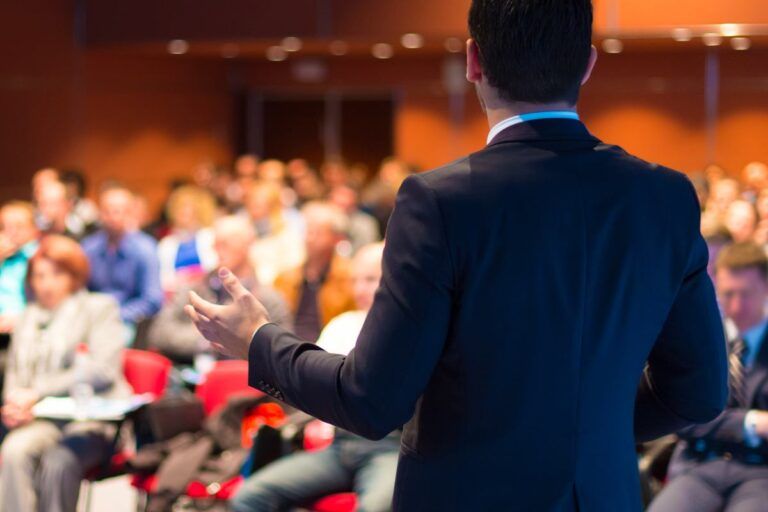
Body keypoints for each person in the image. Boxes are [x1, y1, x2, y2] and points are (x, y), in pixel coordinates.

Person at [186, 1, 728, 510]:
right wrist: (585, 424)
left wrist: (260, 341)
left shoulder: (441, 202)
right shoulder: (664, 197)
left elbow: (371, 400)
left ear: (473, 60)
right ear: (587, 65)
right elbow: (699, 394)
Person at [231, 243, 399, 512]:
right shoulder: (343, 324)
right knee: (249, 496)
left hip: (388, 448)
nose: (359, 289)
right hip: (340, 446)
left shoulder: (407, 333)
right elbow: (308, 382)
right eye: (355, 280)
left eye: (370, 279)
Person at [0, 235, 131, 512]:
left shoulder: (98, 308)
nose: (47, 283)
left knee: (58, 461)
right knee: (14, 450)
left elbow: (102, 370)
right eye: (39, 276)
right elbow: (14, 372)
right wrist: (13, 404)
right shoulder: (27, 316)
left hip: (90, 419)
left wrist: (36, 392)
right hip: (42, 418)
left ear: (74, 275)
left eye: (56, 274)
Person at [648, 242, 768, 512]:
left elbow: (700, 415)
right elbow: (683, 419)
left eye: (746, 294)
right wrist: (752, 422)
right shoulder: (701, 338)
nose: (736, 306)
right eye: (727, 294)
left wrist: (718, 421)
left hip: (761, 472)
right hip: (698, 464)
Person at [148, 216, 292, 365]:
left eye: (225, 243)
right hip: (188, 375)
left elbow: (279, 352)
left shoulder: (269, 299)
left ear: (248, 244)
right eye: (215, 243)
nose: (217, 249)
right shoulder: (193, 288)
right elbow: (159, 333)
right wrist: (210, 339)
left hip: (242, 381)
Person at [81, 185, 163, 330]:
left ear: (130, 213)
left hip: (129, 321)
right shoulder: (89, 247)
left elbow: (152, 300)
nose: (112, 217)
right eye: (107, 211)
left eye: (118, 211)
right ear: (99, 213)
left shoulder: (145, 248)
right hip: (92, 318)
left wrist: (116, 316)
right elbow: (80, 290)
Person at [272, 201, 355, 342]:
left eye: (318, 233)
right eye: (308, 231)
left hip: (329, 351)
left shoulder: (350, 277)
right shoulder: (284, 278)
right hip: (288, 348)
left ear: (336, 239)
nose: (309, 238)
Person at [157, 185, 218, 296]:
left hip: (208, 293)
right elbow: (163, 278)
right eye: (180, 208)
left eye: (189, 208)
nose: (184, 212)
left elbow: (215, 268)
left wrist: (193, 275)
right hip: (177, 296)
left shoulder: (211, 236)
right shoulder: (167, 243)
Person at [0, 202, 39, 334]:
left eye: (19, 226)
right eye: (4, 227)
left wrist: (20, 320)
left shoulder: (40, 257)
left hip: (27, 327)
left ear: (34, 228)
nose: (11, 233)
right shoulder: (3, 258)